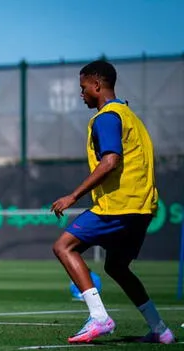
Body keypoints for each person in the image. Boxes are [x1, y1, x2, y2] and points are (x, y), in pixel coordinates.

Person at [50, 60, 175, 344]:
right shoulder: (130, 116)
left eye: (83, 88)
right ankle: (160, 330)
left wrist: (73, 196)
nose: (81, 94)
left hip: (119, 206)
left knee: (64, 247)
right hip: (142, 209)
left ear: (97, 85)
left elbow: (110, 161)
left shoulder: (106, 117)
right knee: (116, 267)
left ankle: (99, 317)